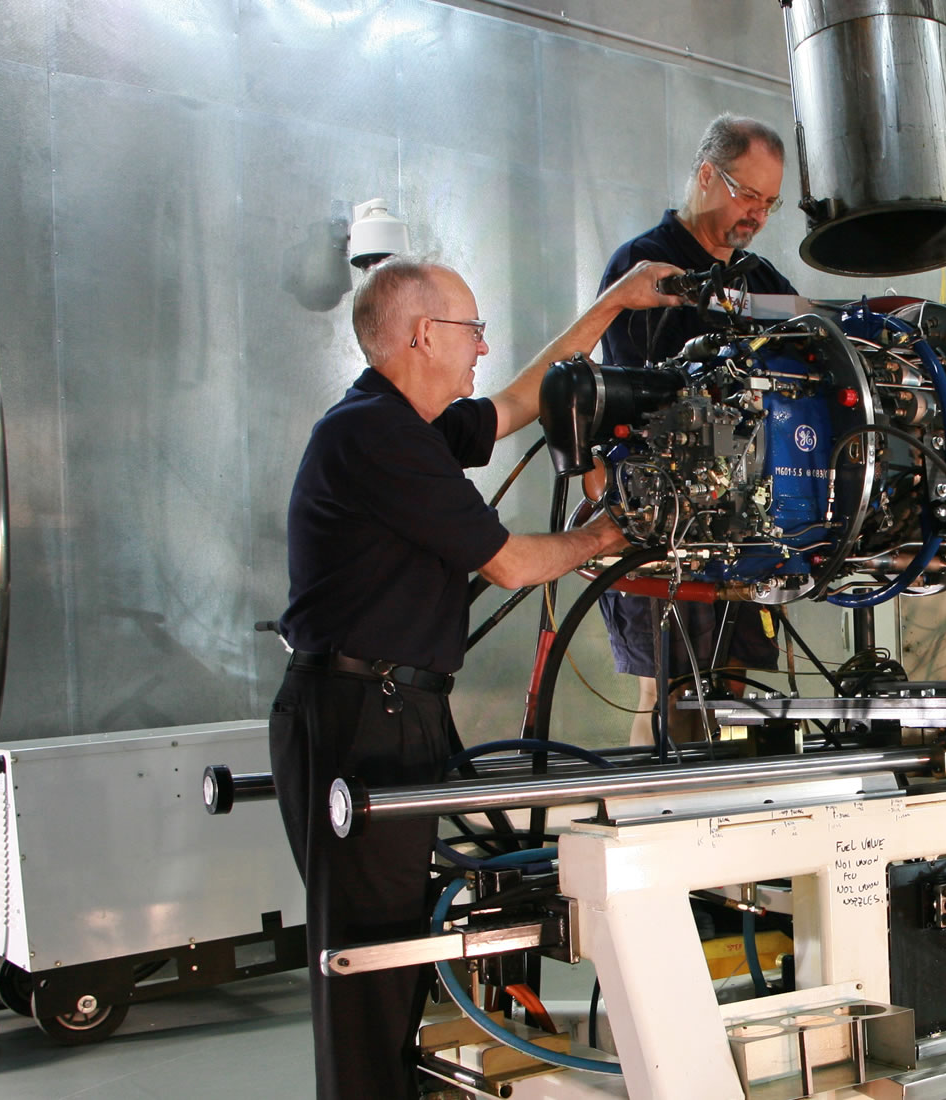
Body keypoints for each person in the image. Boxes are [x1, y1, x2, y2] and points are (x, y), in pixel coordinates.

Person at [270, 255, 678, 1098]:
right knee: (371, 958)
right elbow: (513, 565)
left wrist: (617, 300)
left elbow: (528, 398)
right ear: (424, 334)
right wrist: (619, 530)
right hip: (358, 712)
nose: (483, 349)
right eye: (473, 330)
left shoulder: (405, 426)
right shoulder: (371, 435)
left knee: (402, 945)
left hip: (392, 704)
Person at [597, 114, 802, 745]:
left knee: (732, 688)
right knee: (671, 693)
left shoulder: (760, 280)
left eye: (770, 204)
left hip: (744, 517)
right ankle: (643, 823)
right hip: (666, 515)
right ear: (707, 175)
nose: (757, 217)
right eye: (748, 196)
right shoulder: (642, 267)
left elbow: (809, 353)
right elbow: (653, 401)